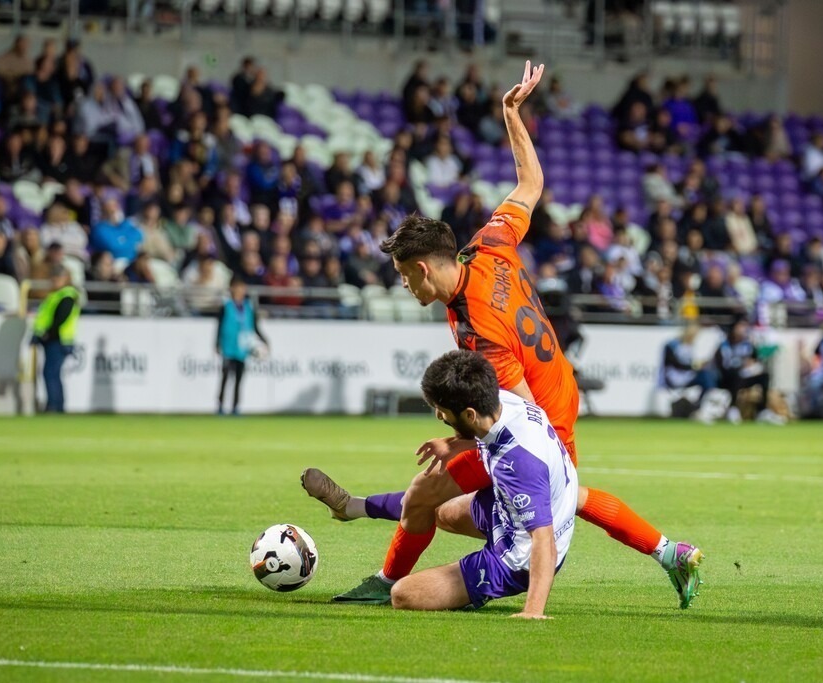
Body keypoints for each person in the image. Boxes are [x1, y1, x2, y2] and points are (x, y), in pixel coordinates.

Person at [301, 62, 703, 609]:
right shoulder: (488, 244)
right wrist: (512, 113)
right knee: (553, 496)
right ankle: (670, 552)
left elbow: (519, 417)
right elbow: (530, 184)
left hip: (541, 409)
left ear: (422, 268)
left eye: (403, 276)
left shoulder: (481, 332)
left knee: (451, 493)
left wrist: (459, 442)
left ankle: (393, 577)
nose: (404, 286)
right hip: (558, 385)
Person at [385, 350, 578, 617]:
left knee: (403, 594)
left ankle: (478, 584)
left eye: (442, 411)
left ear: (469, 415)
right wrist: (454, 443)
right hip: (506, 510)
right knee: (441, 511)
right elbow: (488, 434)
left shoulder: (517, 464)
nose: (439, 416)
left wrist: (532, 612)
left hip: (518, 557)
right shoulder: (506, 402)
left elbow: (543, 539)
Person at [714, 318, 785, 425]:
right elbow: (723, 365)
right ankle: (733, 409)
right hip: (728, 378)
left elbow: (756, 360)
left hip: (744, 377)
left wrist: (752, 364)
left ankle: (762, 411)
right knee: (735, 375)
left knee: (764, 376)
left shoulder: (748, 345)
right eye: (740, 327)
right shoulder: (725, 345)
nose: (743, 330)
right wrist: (740, 364)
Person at [215, 278, 268, 415]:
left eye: (242, 288)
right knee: (225, 378)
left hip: (242, 348)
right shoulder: (226, 306)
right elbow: (219, 326)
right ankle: (220, 406)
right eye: (237, 288)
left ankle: (235, 407)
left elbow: (255, 326)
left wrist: (264, 340)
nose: (239, 291)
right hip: (229, 346)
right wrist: (217, 343)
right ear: (232, 289)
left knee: (239, 379)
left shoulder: (249, 307)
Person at [31, 266, 80, 413]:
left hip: (59, 340)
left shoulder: (66, 295)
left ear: (65, 278)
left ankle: (54, 405)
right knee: (53, 373)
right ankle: (57, 405)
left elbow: (60, 318)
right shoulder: (57, 295)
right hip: (55, 339)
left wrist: (46, 334)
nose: (54, 281)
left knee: (51, 373)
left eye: (57, 277)